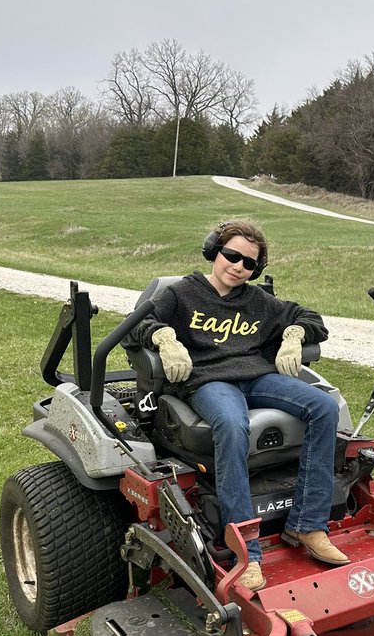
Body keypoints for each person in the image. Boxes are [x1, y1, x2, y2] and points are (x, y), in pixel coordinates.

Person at [126, 219, 348, 591]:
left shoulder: (257, 300)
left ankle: (308, 525)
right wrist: (163, 336)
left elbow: (310, 318)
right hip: (209, 381)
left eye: (249, 263)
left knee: (323, 408)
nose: (238, 267)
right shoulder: (182, 294)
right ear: (214, 250)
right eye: (231, 255)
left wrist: (296, 333)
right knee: (231, 423)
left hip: (257, 377)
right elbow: (136, 323)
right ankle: (247, 550)